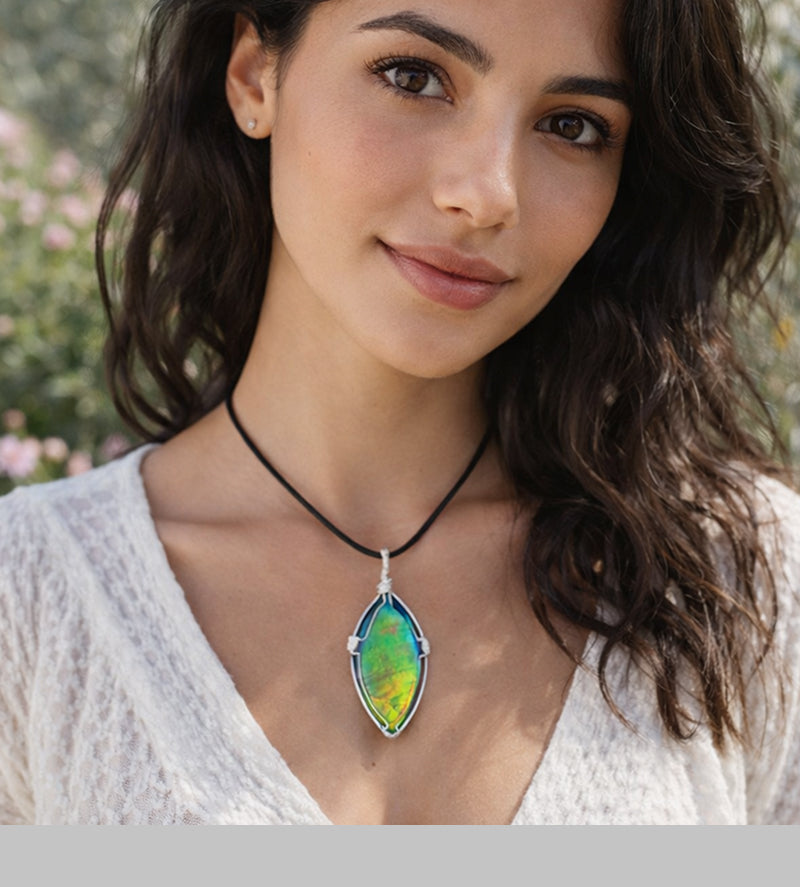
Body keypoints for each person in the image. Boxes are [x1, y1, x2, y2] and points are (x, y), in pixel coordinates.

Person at [0, 0, 798, 826]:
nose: (487, 195)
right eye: (413, 77)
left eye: (573, 124)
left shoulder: (744, 584)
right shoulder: (26, 601)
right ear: (252, 75)